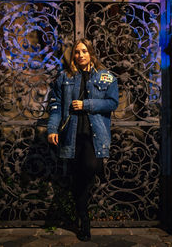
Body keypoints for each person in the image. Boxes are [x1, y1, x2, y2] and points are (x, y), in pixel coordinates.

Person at [47, 38, 119, 241]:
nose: (80, 55)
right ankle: (84, 223)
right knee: (79, 180)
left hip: (93, 135)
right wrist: (52, 129)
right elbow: (56, 105)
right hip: (72, 135)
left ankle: (99, 168)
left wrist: (86, 104)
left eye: (84, 51)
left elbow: (112, 103)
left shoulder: (106, 77)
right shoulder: (64, 77)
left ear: (91, 54)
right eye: (77, 52)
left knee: (88, 167)